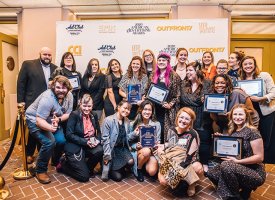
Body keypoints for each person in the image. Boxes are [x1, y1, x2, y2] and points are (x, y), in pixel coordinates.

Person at [207, 104, 266, 200]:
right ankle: (241, 186)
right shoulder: (234, 131)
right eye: (235, 114)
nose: (237, 117)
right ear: (231, 116)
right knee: (211, 173)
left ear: (246, 116)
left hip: (254, 171)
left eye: (240, 114)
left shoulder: (253, 132)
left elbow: (259, 157)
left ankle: (235, 196)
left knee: (226, 166)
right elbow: (233, 148)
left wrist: (237, 162)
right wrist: (220, 138)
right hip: (237, 167)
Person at [25, 75, 73, 184]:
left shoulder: (69, 96)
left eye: (64, 88)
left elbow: (68, 113)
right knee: (49, 142)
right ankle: (40, 170)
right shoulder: (48, 98)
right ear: (53, 87)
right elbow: (39, 121)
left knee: (61, 141)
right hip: (35, 119)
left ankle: (55, 161)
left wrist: (58, 119)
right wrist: (51, 128)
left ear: (68, 89)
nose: (61, 90)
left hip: (52, 119)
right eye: (58, 87)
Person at [17, 47, 57, 164]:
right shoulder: (28, 64)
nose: (47, 57)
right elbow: (21, 83)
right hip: (31, 103)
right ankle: (29, 153)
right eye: (45, 54)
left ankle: (41, 151)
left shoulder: (55, 68)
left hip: (47, 104)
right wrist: (20, 101)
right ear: (40, 54)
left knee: (43, 127)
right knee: (32, 129)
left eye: (49, 55)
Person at [158, 107, 203, 197]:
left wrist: (178, 168)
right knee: (163, 181)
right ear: (177, 118)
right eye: (181, 117)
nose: (183, 120)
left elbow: (190, 156)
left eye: (187, 119)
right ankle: (179, 181)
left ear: (190, 121)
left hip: (187, 160)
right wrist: (162, 147)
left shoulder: (193, 134)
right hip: (173, 159)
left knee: (198, 167)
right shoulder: (171, 130)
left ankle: (192, 184)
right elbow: (169, 146)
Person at [58, 94, 103, 182]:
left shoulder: (94, 115)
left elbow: (99, 131)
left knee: (100, 150)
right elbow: (69, 135)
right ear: (80, 104)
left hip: (87, 145)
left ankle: (88, 169)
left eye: (89, 106)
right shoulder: (74, 115)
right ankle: (63, 164)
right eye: (84, 106)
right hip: (75, 146)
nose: (87, 109)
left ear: (92, 105)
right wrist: (85, 142)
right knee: (84, 177)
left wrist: (98, 140)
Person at [239, 56, 275, 163]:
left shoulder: (264, 75)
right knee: (250, 137)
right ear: (242, 66)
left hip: (265, 111)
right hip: (248, 112)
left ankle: (265, 163)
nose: (248, 66)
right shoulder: (240, 79)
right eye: (245, 64)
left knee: (265, 138)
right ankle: (253, 161)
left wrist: (261, 98)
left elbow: (273, 92)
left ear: (255, 65)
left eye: (250, 63)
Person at [180, 61, 212, 173]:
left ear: (197, 71)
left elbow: (207, 99)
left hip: (203, 118)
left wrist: (195, 100)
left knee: (204, 141)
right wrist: (198, 100)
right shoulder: (184, 83)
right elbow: (183, 99)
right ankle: (188, 162)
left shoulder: (207, 83)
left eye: (190, 70)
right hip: (188, 118)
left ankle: (204, 163)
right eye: (187, 70)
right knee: (188, 140)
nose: (188, 72)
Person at [146, 52, 181, 143]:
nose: (161, 62)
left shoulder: (174, 76)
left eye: (163, 60)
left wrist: (170, 104)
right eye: (159, 60)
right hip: (154, 110)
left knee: (166, 134)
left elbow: (177, 95)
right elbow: (147, 90)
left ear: (168, 62)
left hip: (167, 111)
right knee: (155, 132)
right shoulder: (153, 74)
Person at [101, 100, 134, 182]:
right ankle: (113, 168)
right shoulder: (108, 120)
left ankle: (119, 168)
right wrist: (107, 156)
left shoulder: (127, 121)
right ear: (118, 107)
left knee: (131, 162)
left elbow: (127, 138)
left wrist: (135, 133)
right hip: (112, 150)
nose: (126, 111)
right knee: (118, 178)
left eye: (128, 109)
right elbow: (105, 140)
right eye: (125, 108)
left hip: (122, 149)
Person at [129, 100, 161, 182]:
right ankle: (139, 168)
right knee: (146, 151)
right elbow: (127, 141)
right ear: (140, 110)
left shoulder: (156, 124)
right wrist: (136, 145)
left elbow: (158, 140)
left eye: (149, 110)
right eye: (145, 109)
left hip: (152, 152)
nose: (147, 112)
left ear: (152, 112)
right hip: (139, 151)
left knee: (152, 172)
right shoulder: (133, 124)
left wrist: (156, 144)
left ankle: (143, 165)